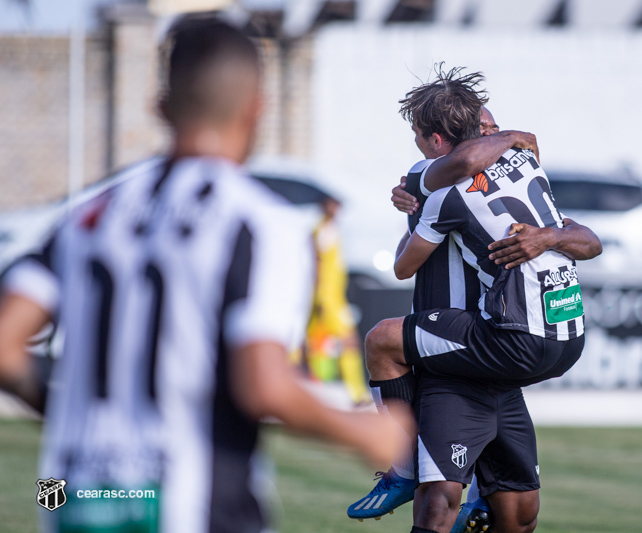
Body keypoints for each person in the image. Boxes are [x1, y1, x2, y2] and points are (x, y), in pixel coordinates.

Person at [0, 17, 406, 533]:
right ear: (256, 106)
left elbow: (5, 344)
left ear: (162, 107)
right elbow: (263, 385)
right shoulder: (259, 222)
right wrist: (362, 432)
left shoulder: (89, 216)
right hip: (196, 504)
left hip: (75, 499)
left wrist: (75, 412)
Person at [352, 68, 601, 533]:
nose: (493, 137)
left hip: (502, 340)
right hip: (516, 347)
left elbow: (404, 264)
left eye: (495, 130)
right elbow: (474, 162)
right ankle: (447, 481)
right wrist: (513, 140)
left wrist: (545, 236)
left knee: (381, 340)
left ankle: (402, 467)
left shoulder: (445, 183)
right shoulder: (524, 161)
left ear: (437, 140)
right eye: (485, 131)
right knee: (475, 503)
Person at [306, 195, 371, 405]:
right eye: (333, 204)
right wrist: (320, 299)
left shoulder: (327, 230)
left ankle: (316, 393)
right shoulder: (323, 231)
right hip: (327, 299)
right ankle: (357, 394)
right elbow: (317, 267)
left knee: (315, 344)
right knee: (348, 342)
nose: (336, 209)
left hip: (329, 297)